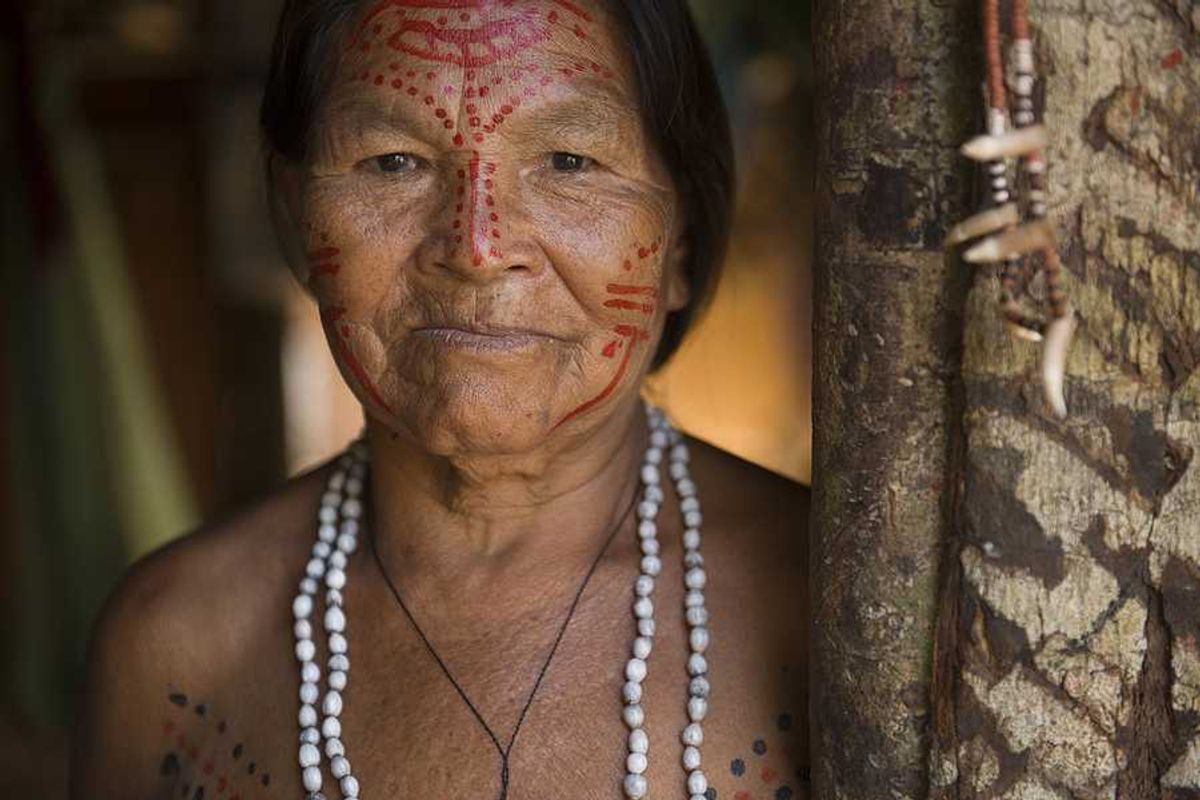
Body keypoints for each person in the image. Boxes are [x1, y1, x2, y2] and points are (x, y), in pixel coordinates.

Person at [71, 1, 809, 797]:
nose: (477, 248)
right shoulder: (177, 653)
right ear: (294, 219)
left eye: (567, 160)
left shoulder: (832, 607)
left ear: (682, 240)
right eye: (393, 161)